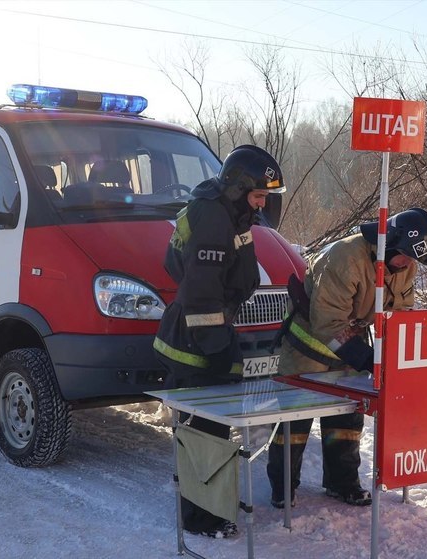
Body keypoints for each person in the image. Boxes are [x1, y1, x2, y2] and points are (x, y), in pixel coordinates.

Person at [266, 208, 427, 508]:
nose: (409, 265)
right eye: (405, 257)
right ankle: (283, 488)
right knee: (294, 420)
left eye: (414, 260)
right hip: (309, 341)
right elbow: (328, 324)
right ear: (390, 243)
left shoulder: (404, 264)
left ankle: (342, 483)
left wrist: (396, 353)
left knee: (347, 416)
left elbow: (401, 313)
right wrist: (368, 359)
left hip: (351, 339)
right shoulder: (345, 258)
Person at [153, 144, 285, 537]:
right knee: (201, 433)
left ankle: (211, 510)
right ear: (238, 187)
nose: (262, 205)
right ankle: (199, 519)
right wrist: (214, 349)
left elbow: (241, 275)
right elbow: (202, 293)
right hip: (195, 342)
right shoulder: (213, 218)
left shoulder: (233, 214)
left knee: (213, 430)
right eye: (259, 195)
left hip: (211, 334)